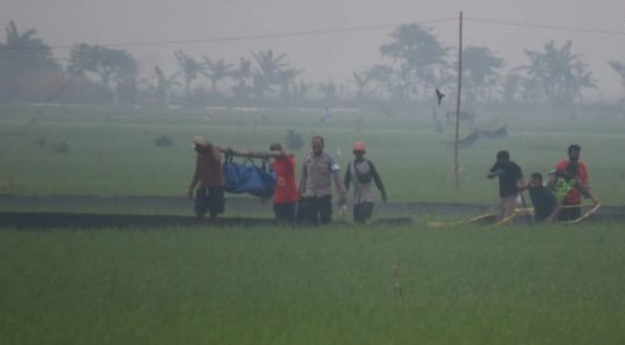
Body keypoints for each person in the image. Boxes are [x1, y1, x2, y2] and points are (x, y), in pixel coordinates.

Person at [225, 143, 299, 223]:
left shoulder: (288, 161)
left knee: (290, 223)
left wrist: (285, 153)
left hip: (289, 198)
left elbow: (291, 160)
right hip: (278, 199)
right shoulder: (274, 165)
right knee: (279, 222)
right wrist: (265, 196)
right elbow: (271, 181)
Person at [299, 135, 347, 225]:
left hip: (324, 194)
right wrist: (300, 191)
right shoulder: (307, 158)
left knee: (325, 219)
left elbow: (337, 177)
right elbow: (303, 176)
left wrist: (342, 193)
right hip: (311, 194)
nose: (316, 149)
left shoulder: (329, 159)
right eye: (314, 147)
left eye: (318, 146)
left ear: (323, 146)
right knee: (311, 220)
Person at [344, 141, 387, 224]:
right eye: (356, 152)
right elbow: (346, 182)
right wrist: (343, 195)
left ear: (363, 153)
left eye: (360, 152)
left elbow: (376, 178)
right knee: (356, 221)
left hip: (367, 198)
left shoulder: (368, 164)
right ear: (354, 153)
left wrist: (383, 192)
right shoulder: (351, 165)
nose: (358, 154)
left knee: (361, 220)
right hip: (356, 199)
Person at [187, 136, 225, 223]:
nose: (197, 150)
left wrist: (207, 145)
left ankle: (215, 227)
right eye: (196, 148)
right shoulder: (200, 157)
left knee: (214, 212)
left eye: (198, 147)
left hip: (216, 185)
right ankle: (202, 226)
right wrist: (191, 188)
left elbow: (216, 158)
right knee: (199, 209)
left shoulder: (213, 153)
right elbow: (197, 173)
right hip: (204, 185)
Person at [555, 144, 590, 221]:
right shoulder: (561, 165)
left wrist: (587, 190)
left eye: (577, 153)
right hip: (564, 199)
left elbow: (585, 182)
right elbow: (557, 185)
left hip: (576, 200)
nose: (575, 154)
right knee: (562, 220)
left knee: (575, 220)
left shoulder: (582, 166)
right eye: (573, 152)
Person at [487, 150, 525, 220]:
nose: (500, 162)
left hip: (513, 193)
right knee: (501, 213)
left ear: (506, 160)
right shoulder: (498, 165)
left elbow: (522, 181)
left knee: (508, 215)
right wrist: (495, 174)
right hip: (503, 193)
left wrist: (521, 187)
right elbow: (489, 174)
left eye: (501, 161)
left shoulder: (514, 167)